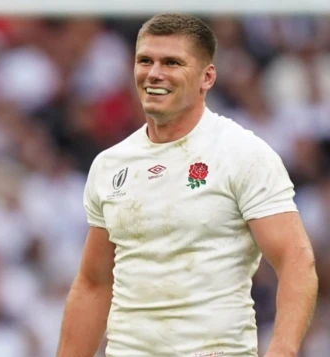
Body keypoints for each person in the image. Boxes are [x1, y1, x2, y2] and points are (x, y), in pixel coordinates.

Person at [57, 14, 318, 357]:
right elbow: (94, 284)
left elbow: (296, 260)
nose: (154, 73)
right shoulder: (110, 165)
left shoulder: (242, 153)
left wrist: (282, 350)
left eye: (172, 62)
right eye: (145, 61)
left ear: (207, 76)